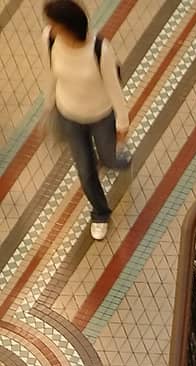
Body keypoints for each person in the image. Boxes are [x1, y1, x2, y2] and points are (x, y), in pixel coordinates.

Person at [41, 1, 130, 242]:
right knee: (85, 170)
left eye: (55, 24)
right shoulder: (50, 38)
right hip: (69, 115)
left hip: (101, 115)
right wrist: (49, 104)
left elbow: (114, 88)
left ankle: (112, 160)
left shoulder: (100, 49)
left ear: (70, 25)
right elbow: (50, 72)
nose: (51, 28)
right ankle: (100, 212)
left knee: (110, 156)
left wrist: (122, 123)